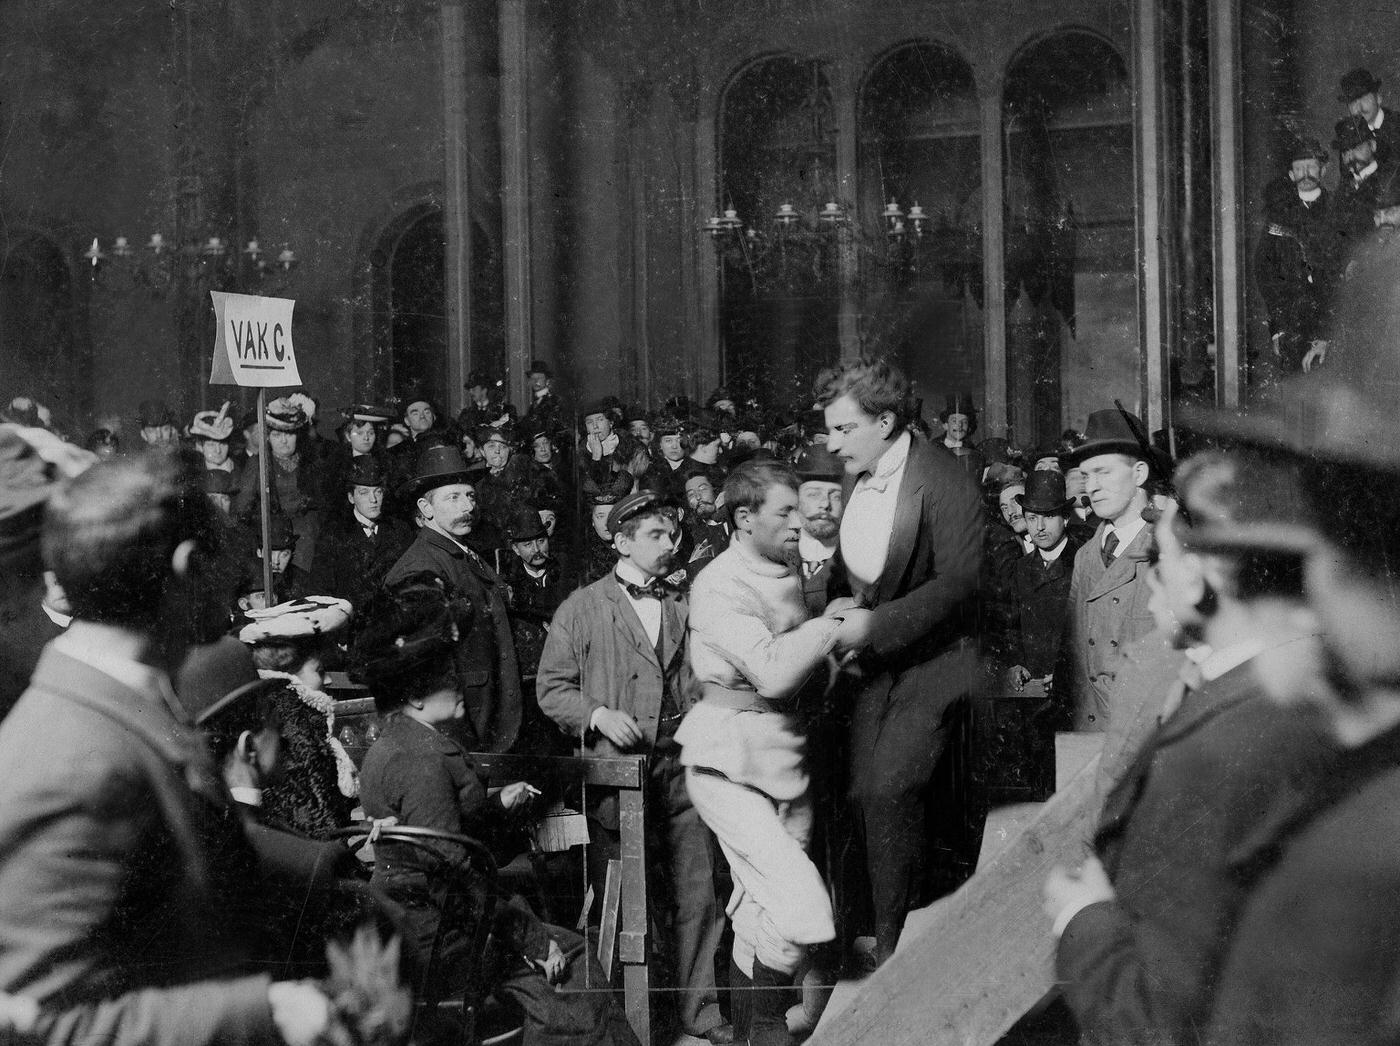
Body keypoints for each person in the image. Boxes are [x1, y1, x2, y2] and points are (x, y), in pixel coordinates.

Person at [0, 451, 334, 1046]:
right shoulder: (77, 759)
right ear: (188, 566)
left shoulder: (111, 705)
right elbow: (43, 1024)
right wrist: (268, 1012)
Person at [1043, 449, 1338, 1046]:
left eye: (1163, 564)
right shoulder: (1305, 700)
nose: (1150, 583)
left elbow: (1157, 1019)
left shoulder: (1216, 750)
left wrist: (1083, 919)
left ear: (1202, 576)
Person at [353, 578, 640, 1046]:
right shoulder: (424, 762)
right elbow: (453, 870)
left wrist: (493, 806)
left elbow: (440, 837)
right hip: (443, 941)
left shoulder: (398, 744)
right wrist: (531, 940)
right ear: (418, 696)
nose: (461, 681)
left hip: (417, 924)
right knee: (572, 956)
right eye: (448, 675)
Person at [677, 461, 871, 1046]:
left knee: (763, 915)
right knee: (806, 909)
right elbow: (772, 672)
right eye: (783, 511)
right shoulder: (719, 583)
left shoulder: (783, 572)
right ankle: (768, 1028)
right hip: (727, 761)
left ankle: (750, 1033)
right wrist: (832, 627)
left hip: (785, 757)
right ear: (742, 517)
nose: (799, 521)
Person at [537, 489, 730, 1043]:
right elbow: (552, 689)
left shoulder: (681, 604)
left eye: (672, 535)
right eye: (656, 536)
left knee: (698, 893)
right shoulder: (580, 608)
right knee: (626, 903)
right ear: (620, 542)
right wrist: (596, 713)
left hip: (682, 766)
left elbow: (700, 681)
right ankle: (629, 1025)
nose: (670, 545)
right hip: (617, 777)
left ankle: (702, 1013)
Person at [816, 357, 983, 965]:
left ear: (885, 422)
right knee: (856, 796)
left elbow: (960, 583)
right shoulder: (856, 478)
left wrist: (877, 624)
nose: (833, 445)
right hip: (876, 674)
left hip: (939, 667)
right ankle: (873, 945)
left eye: (842, 430)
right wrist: (841, 596)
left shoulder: (945, 477)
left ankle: (896, 958)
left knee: (888, 793)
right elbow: (859, 568)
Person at [384, 444, 523, 753]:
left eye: (470, 495)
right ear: (426, 507)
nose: (468, 507)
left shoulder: (464, 554)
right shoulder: (419, 567)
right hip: (459, 730)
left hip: (487, 718)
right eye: (453, 497)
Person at [1066, 408, 1159, 731]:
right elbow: (1071, 662)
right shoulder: (1084, 557)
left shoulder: (1168, 550)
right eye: (1085, 475)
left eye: (1103, 472)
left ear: (1139, 474)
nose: (1091, 487)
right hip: (1088, 736)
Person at [238, 596, 358, 838]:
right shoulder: (297, 727)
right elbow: (320, 822)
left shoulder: (282, 717)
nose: (327, 681)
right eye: (320, 671)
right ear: (288, 675)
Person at [1254, 136, 1339, 376]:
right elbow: (1265, 271)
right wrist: (1278, 329)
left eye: (1311, 166)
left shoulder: (1337, 209)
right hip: (1291, 320)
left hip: (1330, 317)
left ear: (1323, 170)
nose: (1305, 173)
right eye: (1299, 168)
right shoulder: (1279, 214)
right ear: (1291, 175)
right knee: (1295, 394)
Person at [307, 455, 413, 615]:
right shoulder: (334, 534)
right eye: (364, 493)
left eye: (378, 492)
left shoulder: (400, 530)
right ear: (351, 497)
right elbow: (321, 590)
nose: (373, 499)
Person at [793, 443, 845, 615]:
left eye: (836, 496)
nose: (825, 504)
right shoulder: (773, 554)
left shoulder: (862, 561)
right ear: (795, 500)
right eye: (814, 494)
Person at [1338, 66, 1400, 166]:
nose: (1359, 108)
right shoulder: (1349, 137)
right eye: (1352, 102)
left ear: (1378, 98)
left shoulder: (1397, 125)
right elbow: (1347, 179)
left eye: (1363, 98)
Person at [938, 393, 985, 480]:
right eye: (954, 421)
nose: (959, 425)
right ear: (945, 425)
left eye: (964, 422)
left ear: (969, 428)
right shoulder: (933, 448)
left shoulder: (975, 455)